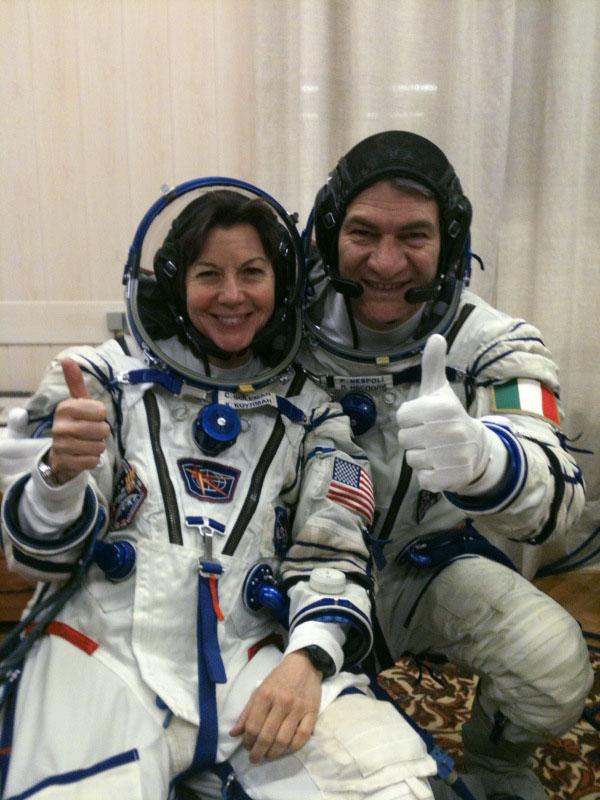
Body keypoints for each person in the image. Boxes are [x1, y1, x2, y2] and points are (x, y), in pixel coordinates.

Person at [0, 182, 436, 799]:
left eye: (252, 273)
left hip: (251, 660)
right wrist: (58, 479)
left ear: (280, 286)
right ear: (178, 284)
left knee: (392, 790)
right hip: (105, 649)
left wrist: (309, 659)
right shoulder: (98, 380)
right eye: (209, 274)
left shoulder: (315, 413)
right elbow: (42, 557)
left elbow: (334, 551)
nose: (232, 296)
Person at [299, 131, 594, 800]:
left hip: (419, 566)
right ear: (327, 231)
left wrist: (487, 461)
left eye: (414, 236)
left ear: (450, 240)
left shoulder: (492, 342)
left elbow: (558, 502)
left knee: (551, 666)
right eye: (364, 232)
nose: (385, 261)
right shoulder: (275, 319)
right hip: (294, 565)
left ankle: (493, 763)